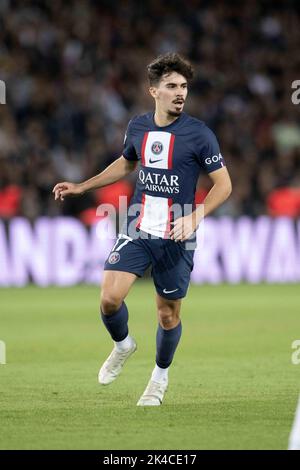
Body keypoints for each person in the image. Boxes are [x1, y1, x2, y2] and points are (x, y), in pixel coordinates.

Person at [53, 53, 232, 406]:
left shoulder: (199, 134)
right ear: (153, 91)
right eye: (171, 86)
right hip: (137, 224)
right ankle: (122, 345)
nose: (180, 93)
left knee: (167, 314)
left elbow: (224, 185)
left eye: (183, 86)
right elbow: (127, 163)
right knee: (108, 298)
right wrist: (83, 186)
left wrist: (195, 216)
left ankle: (158, 379)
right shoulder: (137, 126)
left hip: (177, 229)